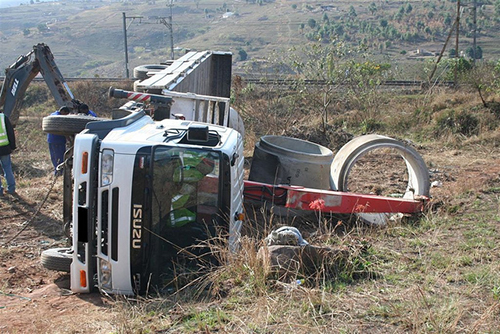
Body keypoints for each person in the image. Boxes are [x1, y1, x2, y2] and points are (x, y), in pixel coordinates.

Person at [47, 106, 70, 176]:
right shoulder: (58, 118)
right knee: (59, 156)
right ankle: (58, 172)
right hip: (57, 140)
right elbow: (62, 130)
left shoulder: (53, 115)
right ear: (63, 112)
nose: (66, 116)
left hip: (53, 139)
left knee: (55, 156)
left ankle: (58, 171)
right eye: (66, 114)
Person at [0, 112, 17, 196]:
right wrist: (13, 146)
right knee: (7, 168)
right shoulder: (3, 117)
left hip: (4, 148)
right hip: (5, 148)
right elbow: (10, 132)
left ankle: (0, 191)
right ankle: (11, 189)